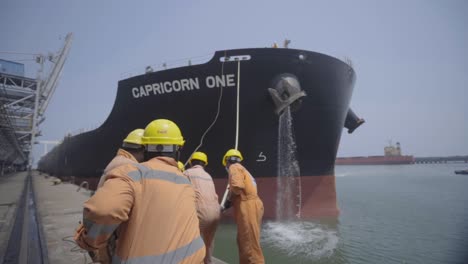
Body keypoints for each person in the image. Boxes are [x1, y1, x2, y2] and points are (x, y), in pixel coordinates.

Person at [74, 119, 205, 263]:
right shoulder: (185, 181)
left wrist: (88, 241)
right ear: (178, 150)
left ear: (144, 148)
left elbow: (102, 211)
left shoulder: (131, 174)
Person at [222, 149, 264, 264]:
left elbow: (236, 187)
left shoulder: (234, 167)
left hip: (248, 206)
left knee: (249, 244)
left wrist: (227, 202)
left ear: (227, 161)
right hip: (254, 204)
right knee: (245, 240)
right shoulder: (244, 170)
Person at [184, 152, 220, 264]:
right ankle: (208, 261)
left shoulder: (187, 173)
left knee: (193, 240)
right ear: (205, 164)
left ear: (190, 162)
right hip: (215, 213)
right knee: (209, 241)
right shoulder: (208, 176)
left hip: (200, 212)